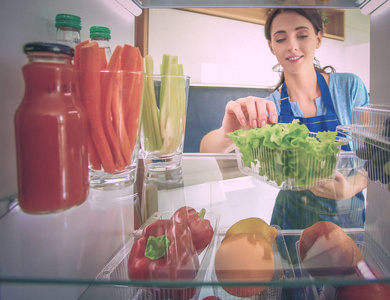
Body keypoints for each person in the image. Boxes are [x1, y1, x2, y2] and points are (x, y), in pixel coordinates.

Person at [200, 8, 369, 264]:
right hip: (292, 227)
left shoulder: (349, 88)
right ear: (271, 46)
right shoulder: (270, 109)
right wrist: (228, 133)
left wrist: (351, 187)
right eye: (281, 39)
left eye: (302, 35)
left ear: (318, 38)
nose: (292, 46)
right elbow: (207, 149)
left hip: (348, 221)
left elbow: (377, 157)